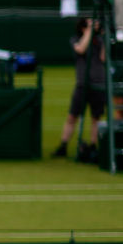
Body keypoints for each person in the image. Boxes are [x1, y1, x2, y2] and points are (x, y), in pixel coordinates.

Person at [53, 18, 106, 163]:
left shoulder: (100, 40)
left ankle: (94, 145)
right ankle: (63, 145)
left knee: (96, 117)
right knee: (72, 116)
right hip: (82, 83)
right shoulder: (75, 39)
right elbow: (81, 49)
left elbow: (104, 57)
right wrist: (89, 31)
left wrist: (105, 37)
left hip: (98, 83)